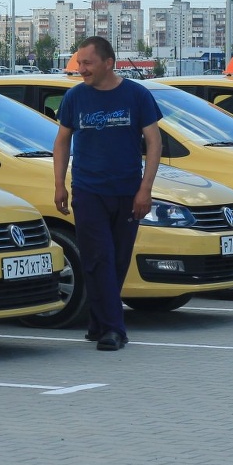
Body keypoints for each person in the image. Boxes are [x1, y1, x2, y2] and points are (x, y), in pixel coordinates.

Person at [52, 35, 161, 350]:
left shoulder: (136, 95)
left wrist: (146, 189)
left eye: (87, 63)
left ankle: (99, 322)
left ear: (108, 63)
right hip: (88, 190)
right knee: (98, 257)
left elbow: (154, 142)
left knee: (118, 260)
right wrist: (59, 183)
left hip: (128, 191)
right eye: (79, 62)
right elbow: (62, 141)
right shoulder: (75, 98)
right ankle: (115, 329)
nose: (81, 69)